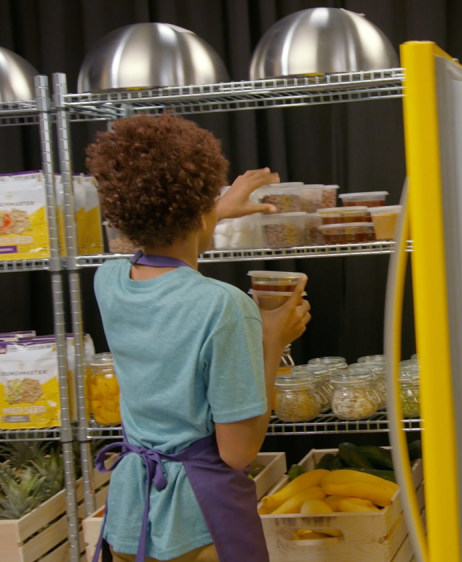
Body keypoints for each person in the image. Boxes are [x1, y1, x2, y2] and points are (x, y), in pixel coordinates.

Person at [85, 114, 311, 562]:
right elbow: (237, 452)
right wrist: (271, 341)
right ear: (199, 208)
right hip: (199, 522)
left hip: (133, 512)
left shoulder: (108, 280)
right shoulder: (225, 307)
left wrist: (208, 212)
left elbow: (153, 252)